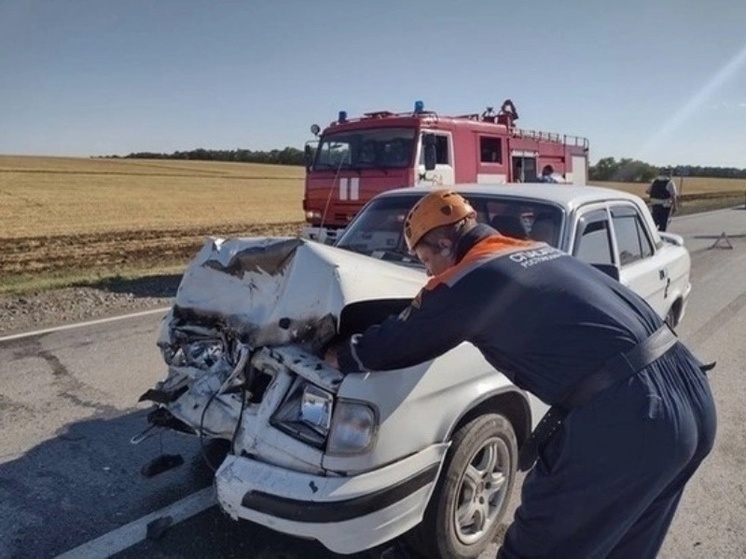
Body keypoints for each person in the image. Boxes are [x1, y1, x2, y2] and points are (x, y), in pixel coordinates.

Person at [325, 189, 716, 558]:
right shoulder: (540, 252)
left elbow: (394, 343)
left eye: (425, 261)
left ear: (444, 244)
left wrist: (337, 353)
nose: (427, 273)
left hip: (630, 419)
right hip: (690, 395)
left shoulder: (470, 277)